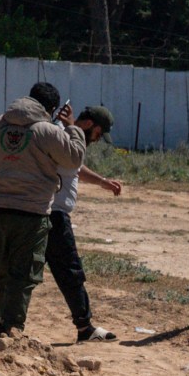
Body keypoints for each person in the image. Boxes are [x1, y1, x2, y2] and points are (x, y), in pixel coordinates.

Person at [0, 80, 85, 338]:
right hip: (32, 212)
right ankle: (12, 326)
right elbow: (74, 159)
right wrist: (73, 127)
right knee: (24, 272)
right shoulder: (49, 131)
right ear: (52, 108)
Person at [47, 106, 123, 343]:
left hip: (49, 213)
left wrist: (102, 182)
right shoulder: (61, 133)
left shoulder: (68, 137)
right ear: (90, 125)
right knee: (70, 272)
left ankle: (3, 326)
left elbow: (75, 167)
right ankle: (84, 327)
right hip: (53, 214)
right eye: (99, 134)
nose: (98, 140)